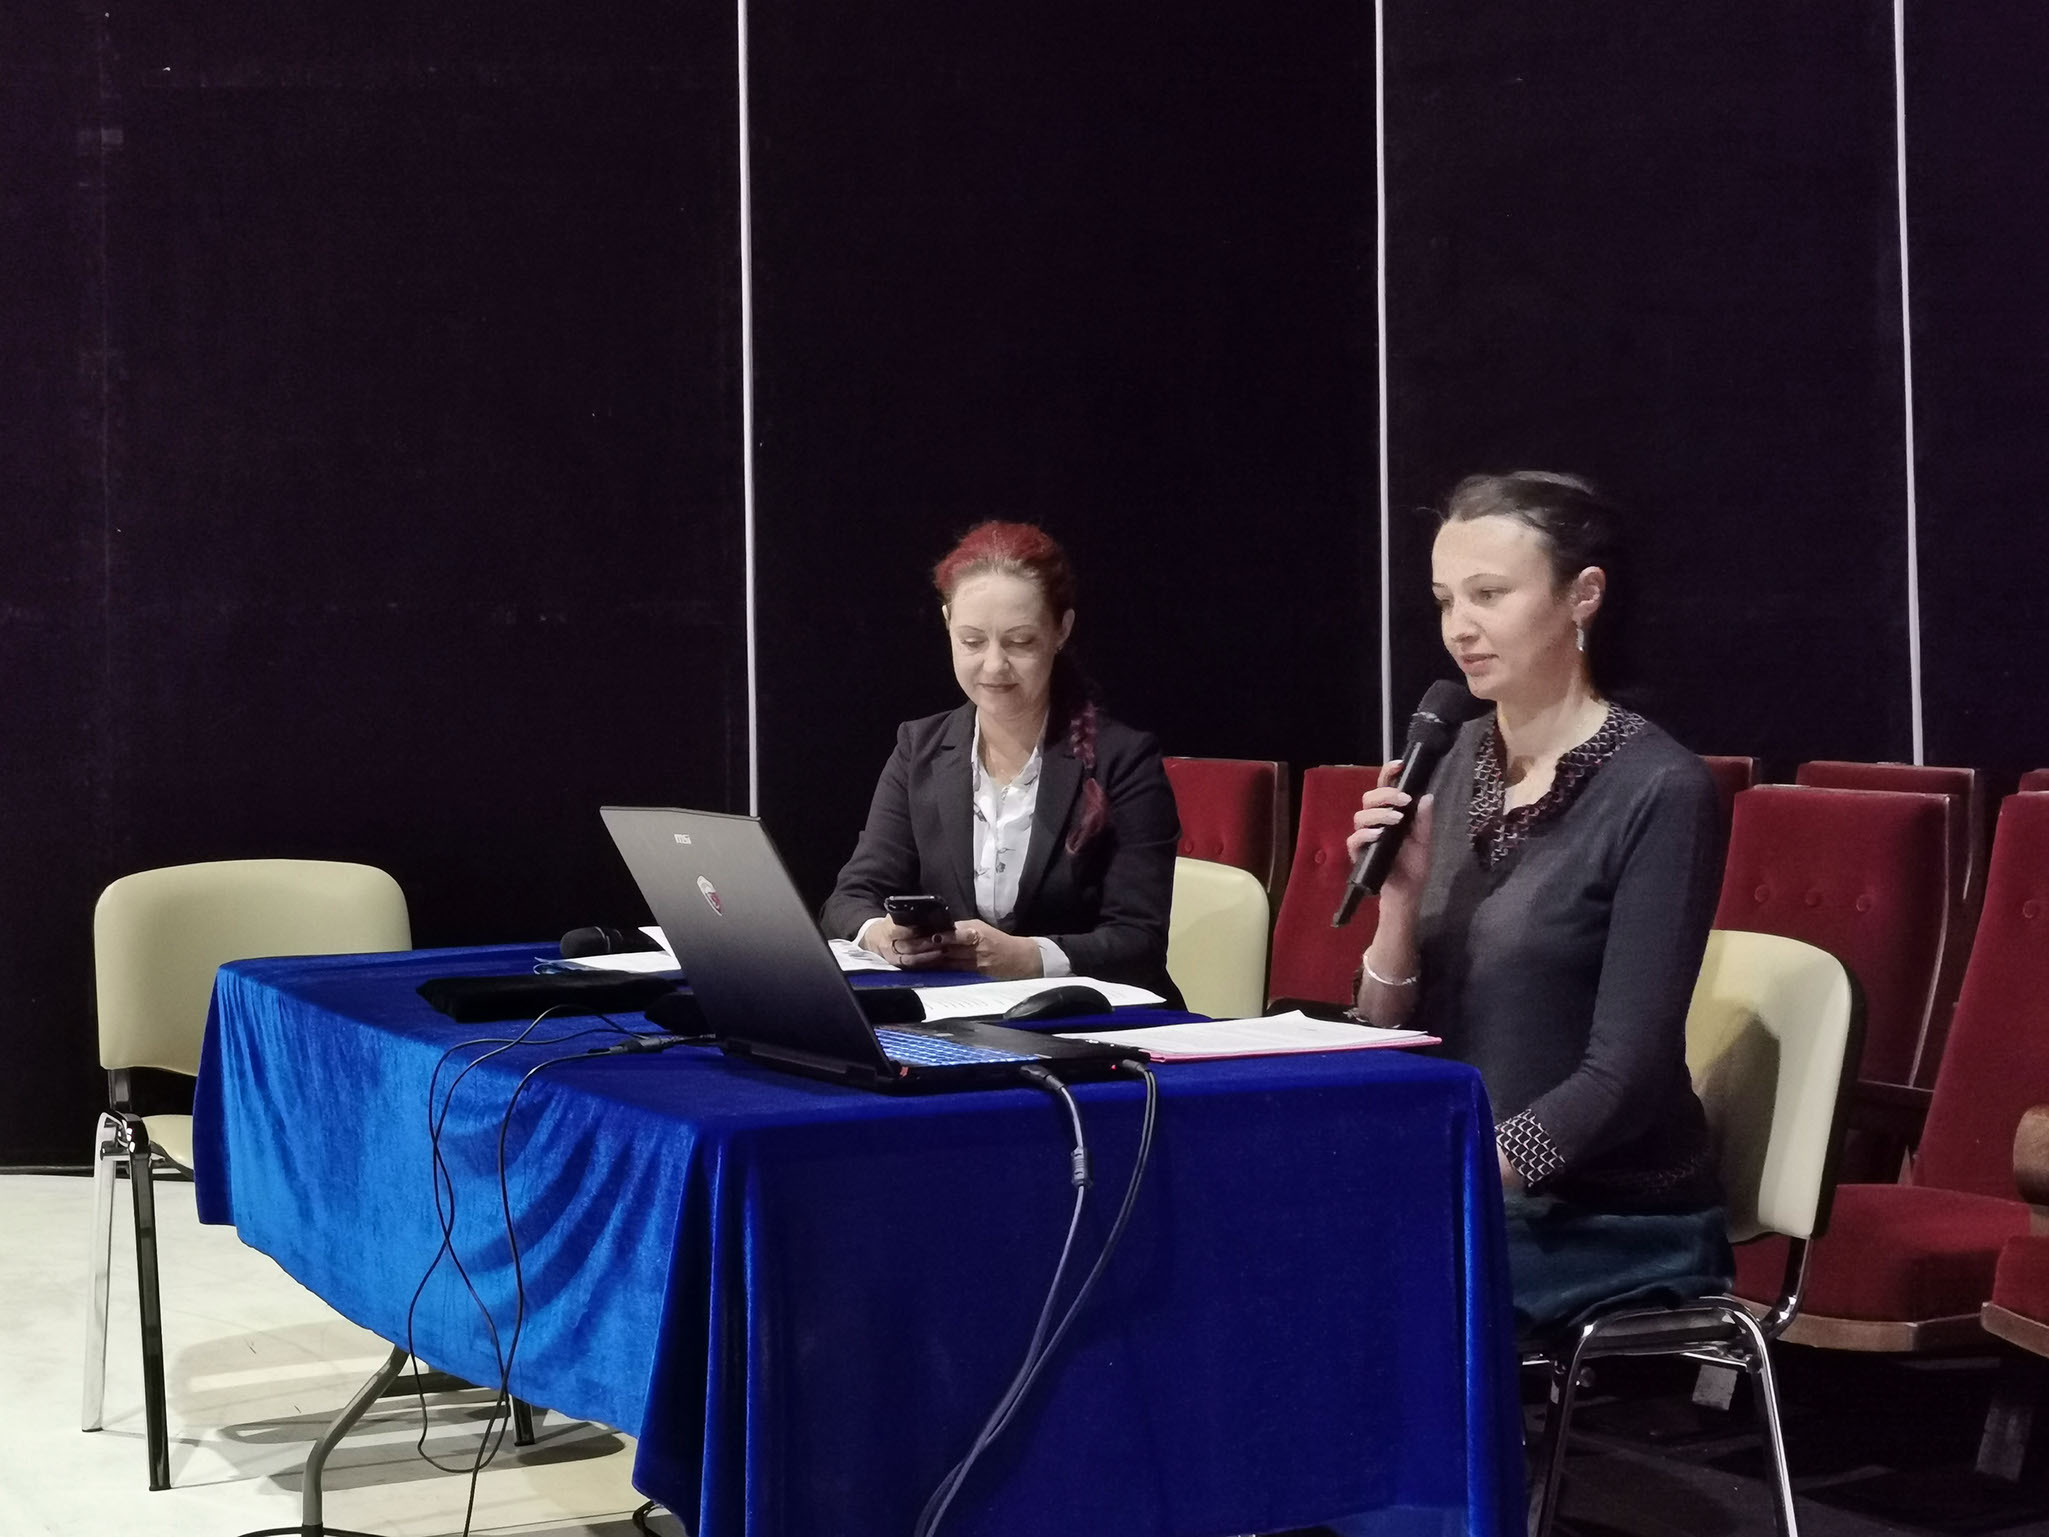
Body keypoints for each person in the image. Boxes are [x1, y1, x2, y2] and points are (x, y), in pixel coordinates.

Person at [1347, 471, 1732, 1343]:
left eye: (1488, 594)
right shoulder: (1451, 759)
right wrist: (1397, 907)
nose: (1458, 626)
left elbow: (1626, 1073)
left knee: (1354, 1273)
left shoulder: (1660, 787)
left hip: (1606, 1212)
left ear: (1581, 595)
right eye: (1445, 600)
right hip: (1464, 1181)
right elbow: (1383, 1024)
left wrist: (1471, 1170)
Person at [822, 520, 1181, 1001]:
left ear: (1061, 630)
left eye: (1020, 642)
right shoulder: (918, 747)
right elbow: (848, 899)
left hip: (1092, 1018)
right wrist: (880, 934)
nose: (993, 665)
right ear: (948, 623)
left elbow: (1139, 942)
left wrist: (1031, 957)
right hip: (961, 1013)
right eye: (972, 641)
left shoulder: (1124, 760)